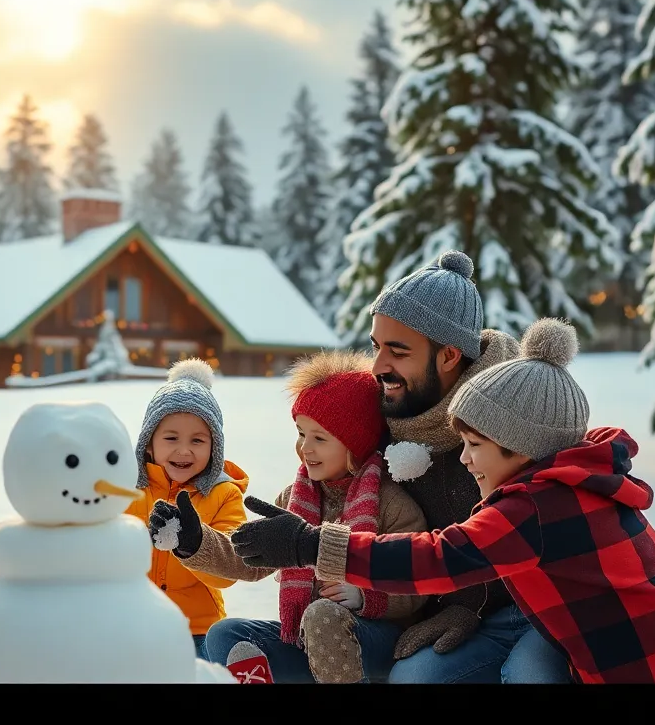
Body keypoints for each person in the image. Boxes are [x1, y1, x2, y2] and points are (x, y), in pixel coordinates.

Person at [231, 318, 655, 683]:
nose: (465, 460)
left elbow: (439, 557)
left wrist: (310, 545)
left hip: (645, 670)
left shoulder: (537, 507)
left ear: (523, 445)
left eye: (475, 445)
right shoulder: (584, 482)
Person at [326, 249, 570, 683]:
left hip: (539, 604)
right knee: (416, 677)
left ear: (449, 356)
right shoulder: (385, 410)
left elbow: (539, 526)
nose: (379, 366)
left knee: (531, 674)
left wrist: (468, 603)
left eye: (397, 352)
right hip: (436, 601)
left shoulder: (516, 413)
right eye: (377, 347)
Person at [159, 349, 429, 683]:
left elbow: (417, 582)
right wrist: (195, 541)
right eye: (301, 434)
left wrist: (364, 596)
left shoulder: (391, 504)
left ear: (354, 444)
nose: (305, 448)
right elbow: (249, 557)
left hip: (374, 644)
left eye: (320, 438)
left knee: (323, 615)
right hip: (307, 640)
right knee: (224, 635)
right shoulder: (295, 498)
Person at [125, 358, 249, 661]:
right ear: (149, 444)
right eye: (171, 438)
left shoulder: (224, 494)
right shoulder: (125, 489)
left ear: (214, 448)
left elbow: (231, 568)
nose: (184, 450)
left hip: (196, 630)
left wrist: (195, 542)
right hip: (128, 625)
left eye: (197, 440)